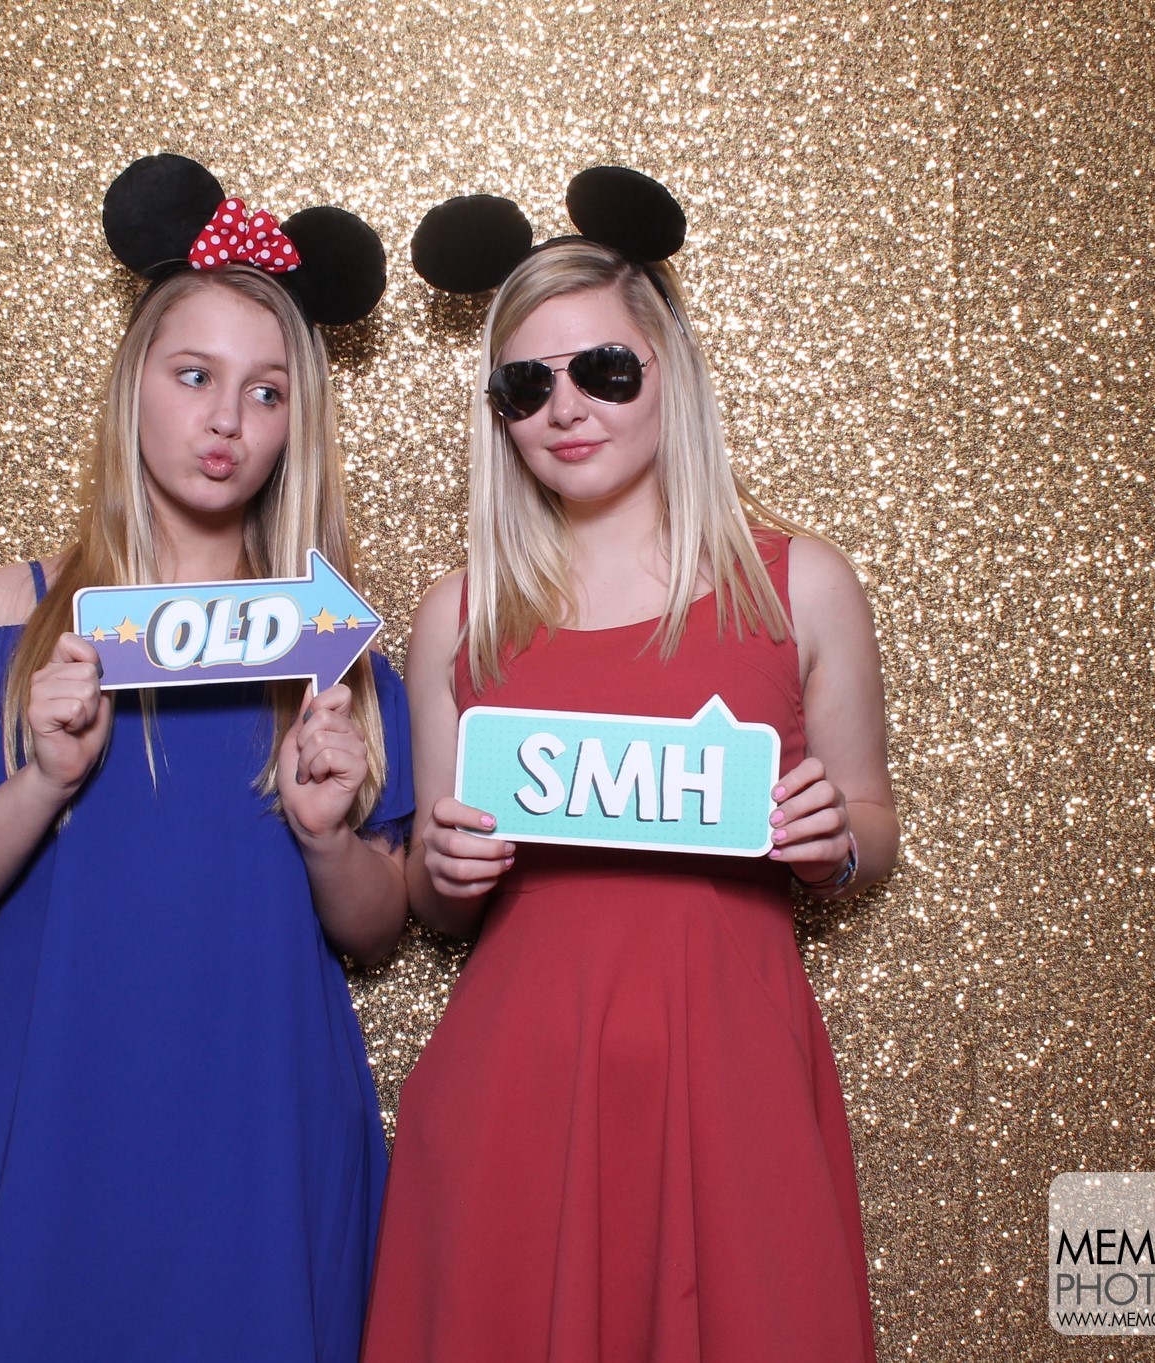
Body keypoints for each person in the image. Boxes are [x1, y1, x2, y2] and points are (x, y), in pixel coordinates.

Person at [0, 156, 411, 1363]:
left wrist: (327, 832)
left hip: (269, 1136)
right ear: (134, 387)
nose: (227, 421)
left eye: (267, 392)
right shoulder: (10, 615)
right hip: (70, 1132)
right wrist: (45, 776)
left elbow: (377, 927)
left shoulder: (328, 642)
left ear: (296, 423)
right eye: (194, 376)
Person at [363, 172, 897, 1362]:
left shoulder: (798, 583)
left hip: (732, 1075)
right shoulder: (459, 614)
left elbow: (871, 820)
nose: (565, 408)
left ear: (670, 372)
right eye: (525, 385)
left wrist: (833, 839)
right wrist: (441, 866)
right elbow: (436, 904)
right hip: (518, 1088)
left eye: (603, 370)